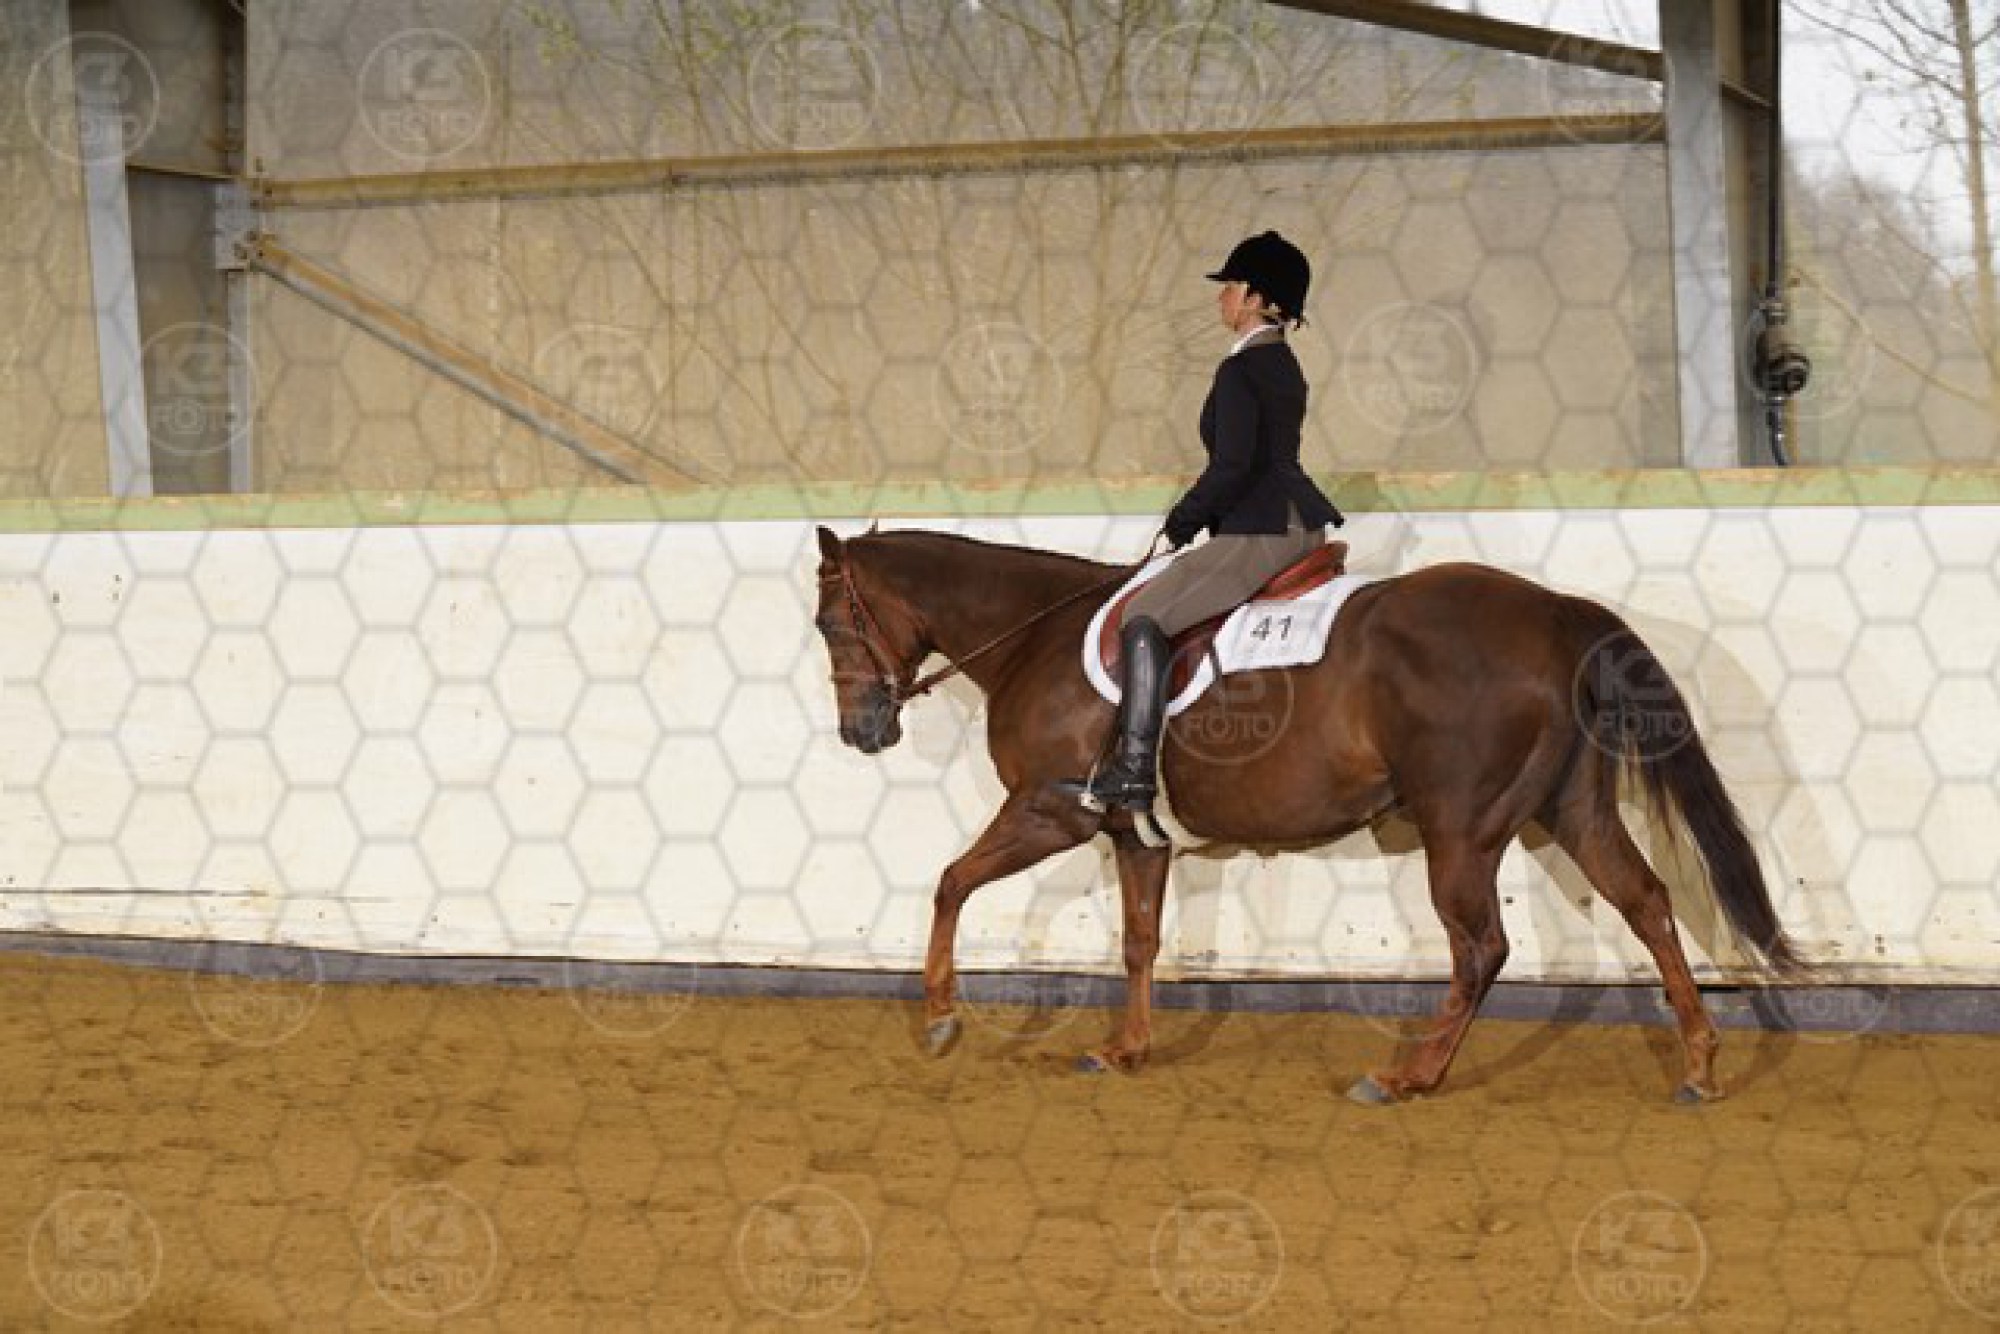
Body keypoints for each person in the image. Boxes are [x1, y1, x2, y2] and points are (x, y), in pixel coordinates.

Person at [1071, 230, 1345, 812]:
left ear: (1257, 298)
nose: (1221, 297)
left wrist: (1178, 525)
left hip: (1263, 528)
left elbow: (1232, 466)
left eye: (1231, 287)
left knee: (1144, 614)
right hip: (1288, 520)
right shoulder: (1281, 363)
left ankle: (1134, 768)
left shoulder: (1241, 371)